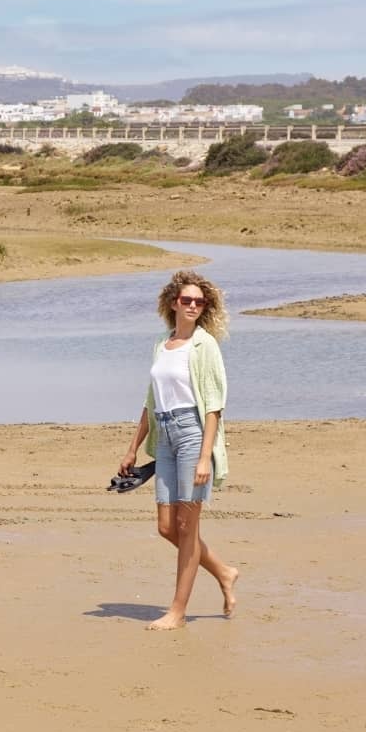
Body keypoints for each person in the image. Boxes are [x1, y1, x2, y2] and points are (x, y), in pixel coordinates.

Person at [117, 270, 240, 630]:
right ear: (173, 303)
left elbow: (215, 406)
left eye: (199, 302)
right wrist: (132, 449)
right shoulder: (162, 344)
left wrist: (205, 457)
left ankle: (178, 612)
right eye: (186, 300)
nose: (192, 306)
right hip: (164, 433)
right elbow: (149, 400)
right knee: (167, 526)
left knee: (188, 526)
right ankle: (224, 571)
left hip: (192, 433)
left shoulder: (206, 346)